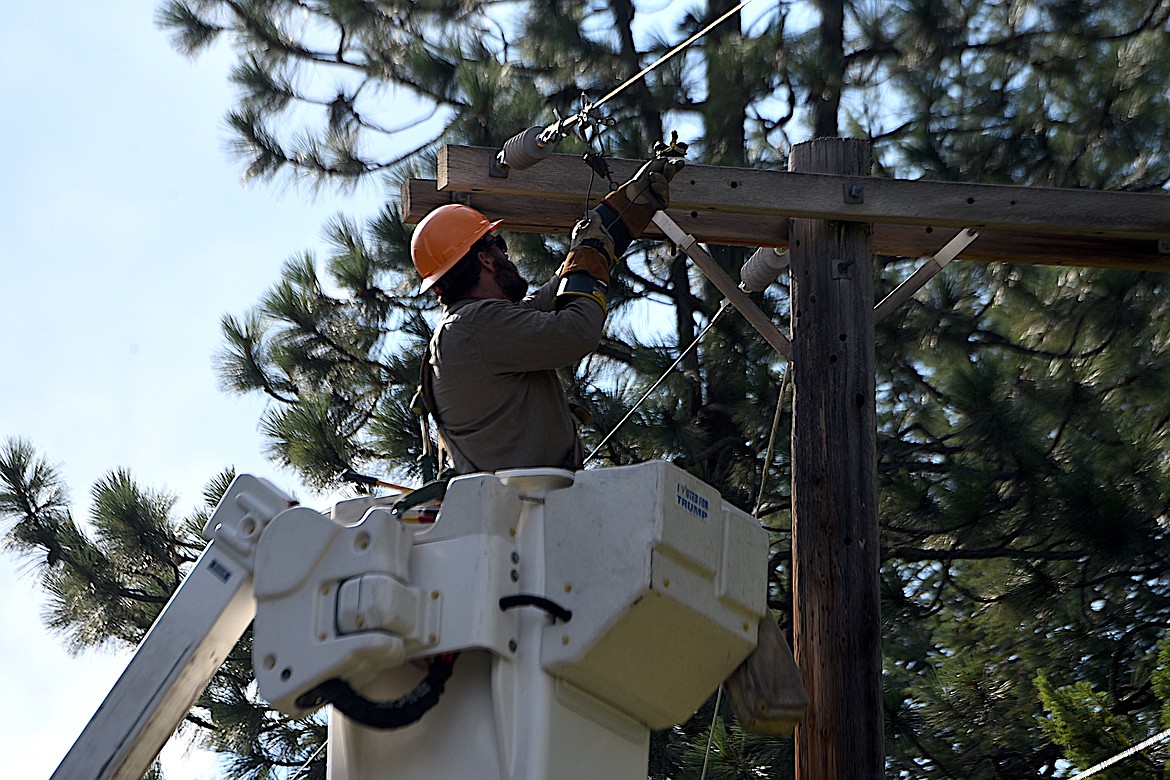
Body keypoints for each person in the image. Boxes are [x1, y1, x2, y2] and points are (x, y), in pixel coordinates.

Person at [412, 157, 680, 474]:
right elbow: (576, 330)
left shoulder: (471, 327)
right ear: (485, 259)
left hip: (522, 506)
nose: (506, 253)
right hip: (523, 508)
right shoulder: (473, 327)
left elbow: (553, 293)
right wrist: (588, 256)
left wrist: (621, 213)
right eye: (498, 244)